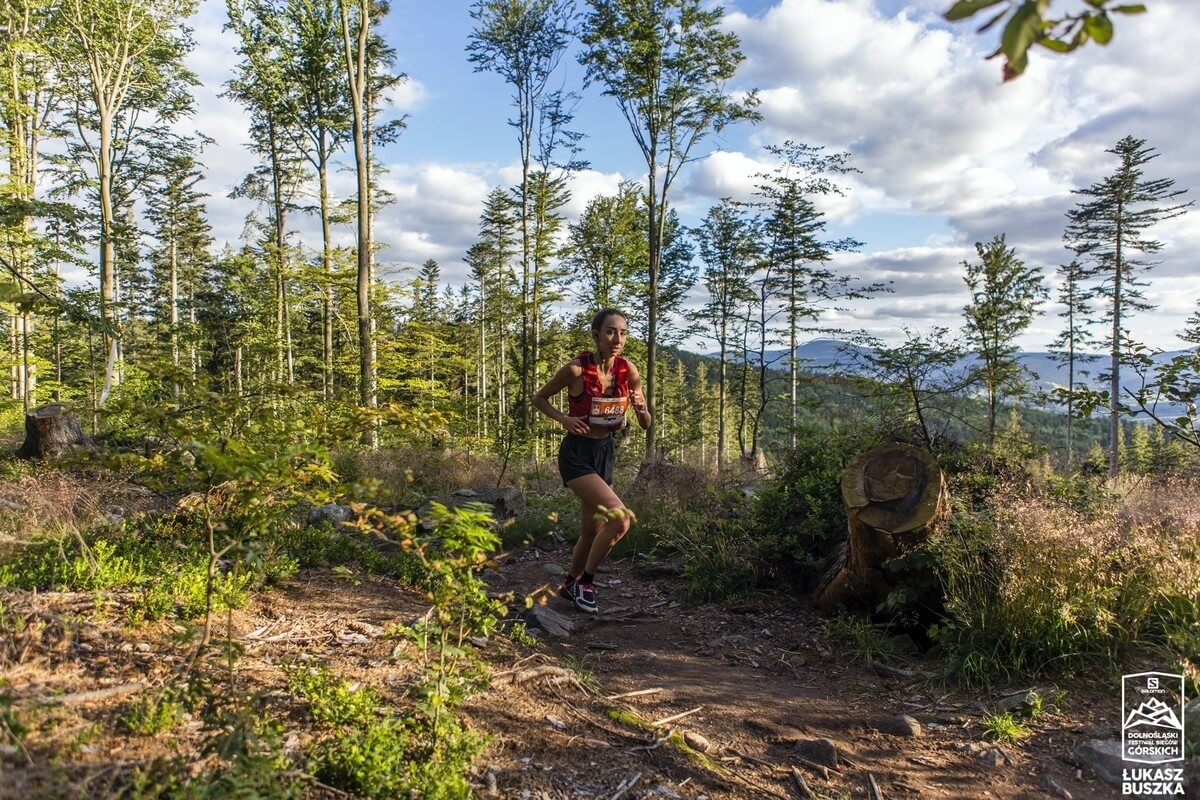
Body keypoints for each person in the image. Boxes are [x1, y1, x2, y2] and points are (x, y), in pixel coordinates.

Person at [533, 308, 652, 614]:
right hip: (576, 454)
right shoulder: (575, 370)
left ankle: (570, 582)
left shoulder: (630, 371)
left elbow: (646, 423)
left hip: (605, 453)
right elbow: (539, 398)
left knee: (591, 531)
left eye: (623, 333)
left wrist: (640, 409)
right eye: (611, 331)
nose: (618, 339)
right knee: (620, 520)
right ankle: (586, 581)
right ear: (596, 335)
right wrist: (564, 419)